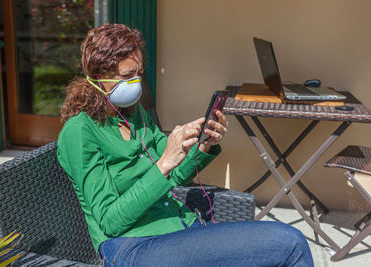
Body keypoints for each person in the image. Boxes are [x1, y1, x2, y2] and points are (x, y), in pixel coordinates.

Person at [57, 23, 314, 267]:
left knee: (275, 251)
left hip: (180, 228)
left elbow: (177, 175)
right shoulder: (81, 131)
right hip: (132, 247)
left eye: (139, 74)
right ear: (98, 77)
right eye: (127, 76)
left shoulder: (135, 114)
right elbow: (110, 222)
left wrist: (203, 147)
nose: (136, 83)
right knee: (290, 243)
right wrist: (164, 162)